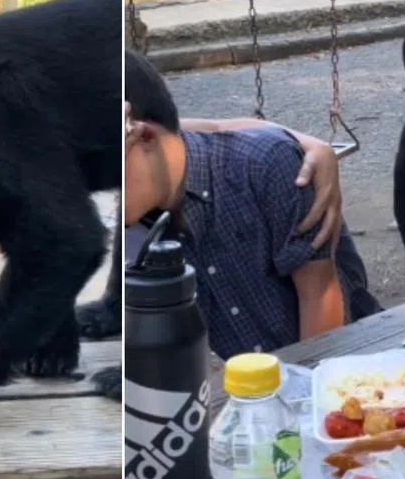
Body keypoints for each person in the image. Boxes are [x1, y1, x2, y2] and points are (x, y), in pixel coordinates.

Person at [124, 51, 382, 360]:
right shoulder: (134, 225)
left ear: (143, 134)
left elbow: (320, 297)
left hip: (339, 366)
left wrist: (303, 394)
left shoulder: (264, 167)